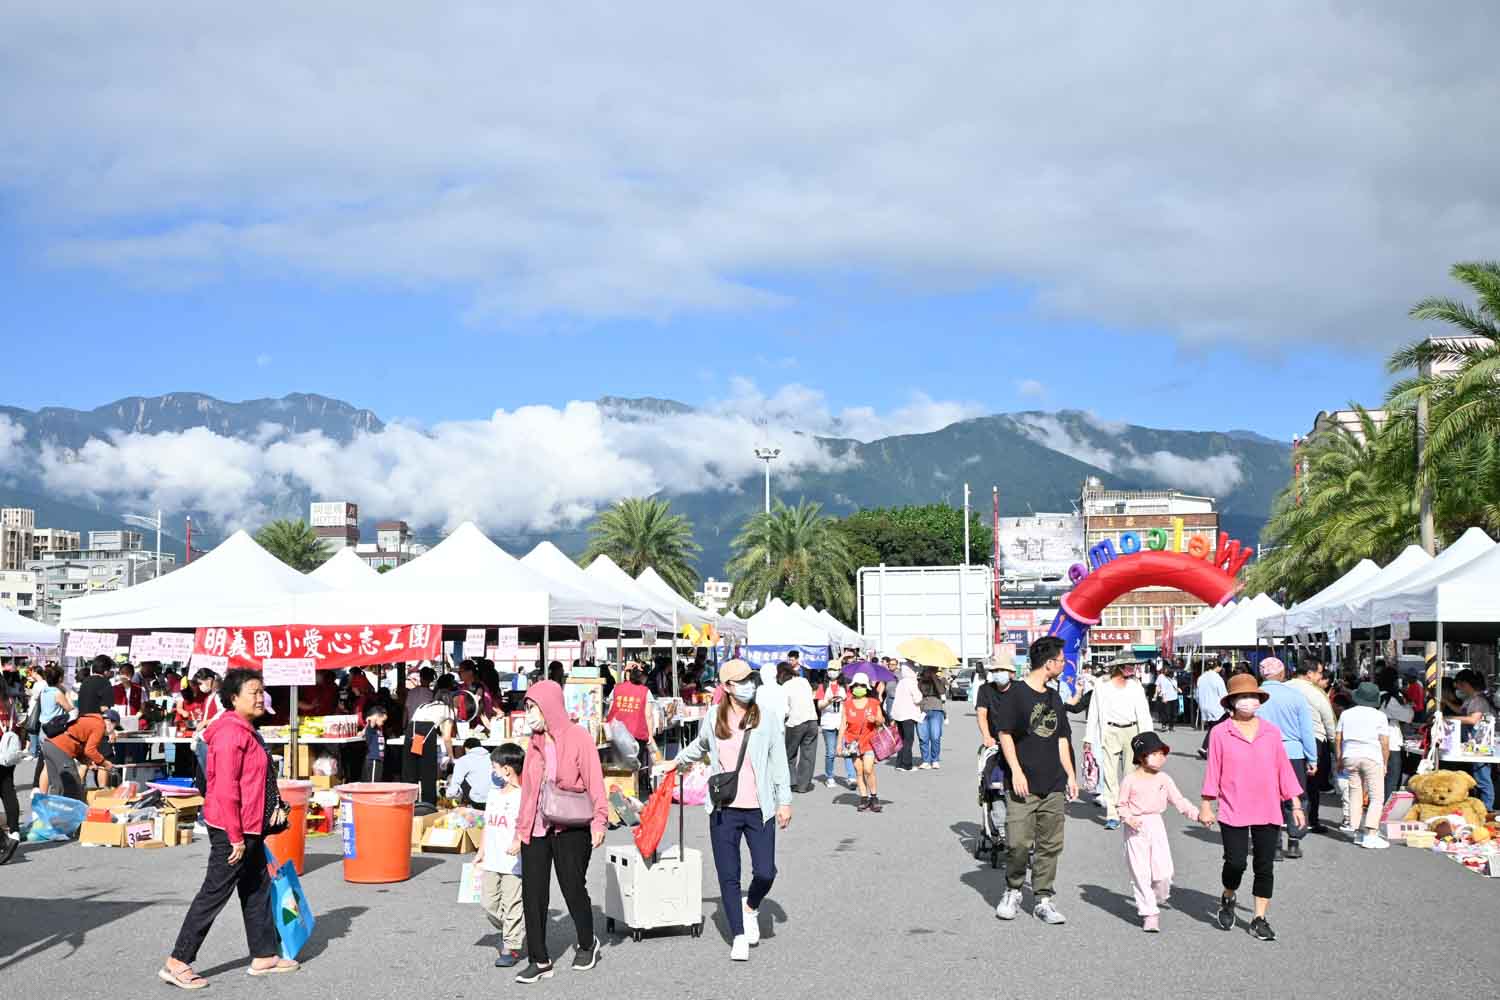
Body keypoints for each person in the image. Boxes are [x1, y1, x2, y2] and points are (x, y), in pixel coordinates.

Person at [161, 669, 297, 989]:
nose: (260, 697)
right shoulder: (229, 734)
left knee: (256, 888)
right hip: (231, 829)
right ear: (234, 698)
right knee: (214, 892)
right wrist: (235, 836)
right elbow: (225, 790)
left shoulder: (246, 730)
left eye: (262, 691)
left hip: (250, 827)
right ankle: (178, 961)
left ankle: (264, 955)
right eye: (253, 692)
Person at [671, 659, 793, 962]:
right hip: (724, 808)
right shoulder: (714, 716)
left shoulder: (767, 717)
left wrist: (785, 801)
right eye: (742, 680)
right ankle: (738, 934)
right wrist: (675, 763)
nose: (749, 684)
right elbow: (700, 747)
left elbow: (778, 759)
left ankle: (750, 907)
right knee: (729, 875)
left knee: (766, 871)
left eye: (751, 678)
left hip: (759, 809)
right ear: (727, 687)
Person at [511, 680, 607, 985]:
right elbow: (527, 790)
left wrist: (600, 821)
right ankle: (539, 959)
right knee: (533, 894)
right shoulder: (535, 743)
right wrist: (520, 830)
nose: (529, 714)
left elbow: (595, 780)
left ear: (549, 706)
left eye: (533, 707)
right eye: (526, 707)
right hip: (538, 828)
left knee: (572, 886)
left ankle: (587, 941)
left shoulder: (578, 737)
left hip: (572, 826)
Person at [1200, 672, 1305, 942]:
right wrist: (1206, 804)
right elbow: (1213, 770)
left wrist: (1295, 803)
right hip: (1233, 806)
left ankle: (1259, 918)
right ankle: (1228, 895)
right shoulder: (1220, 733)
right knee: (1235, 863)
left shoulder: (1271, 732)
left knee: (1264, 864)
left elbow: (1283, 769)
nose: (1249, 701)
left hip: (1268, 806)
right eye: (1243, 697)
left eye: (1253, 696)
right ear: (1232, 701)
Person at [994, 636, 1078, 926]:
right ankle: (1013, 889)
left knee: (1050, 844)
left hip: (1053, 783)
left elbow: (1062, 739)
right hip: (1022, 784)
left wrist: (1070, 774)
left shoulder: (1054, 697)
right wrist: (1016, 770)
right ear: (1049, 663)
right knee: (1017, 842)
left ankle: (1043, 898)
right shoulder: (1015, 694)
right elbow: (1004, 734)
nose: (1064, 664)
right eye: (1062, 660)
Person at [1117, 732, 1197, 932]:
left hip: (1156, 824)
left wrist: (1197, 814)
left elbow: (1179, 800)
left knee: (1164, 873)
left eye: (1162, 753)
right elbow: (1121, 805)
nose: (1160, 757)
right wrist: (1128, 818)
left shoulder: (1164, 779)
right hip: (1135, 829)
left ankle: (1155, 897)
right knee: (1140, 872)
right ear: (1141, 757)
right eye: (1154, 753)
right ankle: (1149, 913)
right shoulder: (1130, 780)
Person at [1255, 657, 1317, 858]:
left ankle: (1274, 845)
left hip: (1263, 754)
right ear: (1281, 673)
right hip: (1293, 753)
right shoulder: (1295, 696)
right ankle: (1294, 840)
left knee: (1269, 798)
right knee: (1296, 797)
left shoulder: (1255, 697)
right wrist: (1312, 758)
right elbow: (1307, 730)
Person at [1084, 656, 1154, 830]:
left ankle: (1127, 809)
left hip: (1132, 731)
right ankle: (1113, 815)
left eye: (1133, 665)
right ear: (1119, 667)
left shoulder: (1135, 685)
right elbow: (1093, 712)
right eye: (1128, 666)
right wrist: (1088, 738)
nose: (1132, 669)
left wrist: (1149, 737)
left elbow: (1144, 712)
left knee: (1130, 773)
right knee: (1109, 774)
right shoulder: (1102, 684)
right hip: (1110, 731)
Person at [475, 743, 527, 968]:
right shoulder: (493, 794)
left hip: (513, 862)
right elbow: (488, 824)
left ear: (507, 769)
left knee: (513, 903)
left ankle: (511, 946)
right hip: (492, 859)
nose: (493, 771)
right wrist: (481, 850)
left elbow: (526, 824)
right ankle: (511, 929)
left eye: (495, 767)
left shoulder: (524, 796)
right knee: (488, 903)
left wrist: (518, 842)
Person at [1336, 682, 1391, 849]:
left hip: (1350, 756)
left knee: (1355, 792)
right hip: (1371, 756)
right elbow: (1384, 742)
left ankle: (1356, 830)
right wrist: (1385, 763)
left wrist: (1339, 759)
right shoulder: (1379, 716)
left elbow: (1338, 737)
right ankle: (1371, 834)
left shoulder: (1346, 714)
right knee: (1376, 796)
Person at [1286, 660, 1337, 834]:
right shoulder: (1315, 692)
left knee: (1287, 780)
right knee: (1311, 783)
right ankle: (1310, 820)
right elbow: (1329, 719)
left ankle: (1287, 818)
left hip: (1287, 740)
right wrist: (1334, 743)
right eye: (1319, 673)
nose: (1321, 677)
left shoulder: (1285, 687)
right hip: (1314, 739)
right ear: (1309, 673)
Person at [43, 705, 119, 801]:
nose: (112, 731)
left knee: (57, 786)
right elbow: (90, 750)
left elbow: (78, 741)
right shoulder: (100, 725)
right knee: (73, 784)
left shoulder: (89, 719)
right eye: (115, 727)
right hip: (61, 747)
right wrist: (105, 763)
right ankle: (75, 812)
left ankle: (54, 812)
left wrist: (87, 761)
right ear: (109, 721)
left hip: (49, 745)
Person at [605, 662, 658, 798]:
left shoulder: (617, 689)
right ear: (641, 678)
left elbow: (610, 710)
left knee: (616, 767)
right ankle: (631, 796)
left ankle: (615, 795)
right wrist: (650, 736)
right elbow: (648, 715)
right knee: (633, 768)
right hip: (636, 735)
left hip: (615, 734)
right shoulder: (645, 691)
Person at [1446, 669, 1496, 809]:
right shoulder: (1471, 700)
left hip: (1481, 745)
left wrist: (1448, 718)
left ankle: (1487, 808)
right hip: (1473, 744)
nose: (1458, 689)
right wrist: (1446, 703)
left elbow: (1473, 719)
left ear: (1466, 684)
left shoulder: (1479, 700)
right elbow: (1461, 711)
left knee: (1482, 778)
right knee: (1477, 776)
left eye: (1460, 686)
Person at [841, 671, 886, 813]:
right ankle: (863, 798)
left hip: (869, 740)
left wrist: (876, 720)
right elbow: (843, 725)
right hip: (852, 741)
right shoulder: (847, 704)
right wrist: (838, 744)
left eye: (861, 685)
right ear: (852, 687)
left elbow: (882, 721)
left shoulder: (873, 703)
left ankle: (874, 797)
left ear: (866, 687)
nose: (858, 687)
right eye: (856, 685)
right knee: (859, 771)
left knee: (868, 769)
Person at [30, 663, 72, 795]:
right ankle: (57, 792)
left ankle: (42, 793)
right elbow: (70, 709)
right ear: (60, 678)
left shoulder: (44, 691)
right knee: (55, 765)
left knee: (47, 764)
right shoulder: (57, 693)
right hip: (55, 731)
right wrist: (68, 695)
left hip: (44, 729)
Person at [778, 661, 818, 793]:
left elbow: (785, 709)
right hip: (812, 720)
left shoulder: (785, 687)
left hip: (795, 723)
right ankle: (803, 785)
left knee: (789, 754)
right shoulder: (804, 681)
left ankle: (791, 782)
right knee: (808, 755)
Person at [1376, 666, 1415, 799]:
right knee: (1392, 777)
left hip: (1373, 741)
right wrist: (1408, 704)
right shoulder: (1390, 700)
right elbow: (1408, 716)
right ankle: (1387, 807)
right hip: (1391, 742)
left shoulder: (1375, 696)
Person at [815, 670, 855, 788]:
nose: (832, 672)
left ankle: (851, 776)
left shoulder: (845, 686)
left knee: (847, 751)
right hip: (828, 722)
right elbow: (819, 706)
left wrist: (843, 700)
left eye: (835, 670)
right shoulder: (822, 687)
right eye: (830, 670)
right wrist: (828, 701)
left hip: (843, 722)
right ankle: (830, 776)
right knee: (831, 752)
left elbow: (851, 702)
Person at [890, 662, 922, 772]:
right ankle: (906, 764)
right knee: (909, 740)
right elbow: (917, 699)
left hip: (898, 714)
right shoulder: (912, 682)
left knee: (901, 739)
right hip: (908, 714)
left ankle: (899, 763)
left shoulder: (901, 682)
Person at [449, 737, 495, 806]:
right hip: (495, 798)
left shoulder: (463, 760)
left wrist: (450, 796)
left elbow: (455, 783)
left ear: (466, 748)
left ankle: (465, 804)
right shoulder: (492, 757)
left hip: (477, 800)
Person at [916, 666, 947, 769]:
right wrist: (923, 679)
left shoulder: (940, 680)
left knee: (935, 736)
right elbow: (919, 692)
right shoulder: (920, 681)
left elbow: (942, 692)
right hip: (922, 710)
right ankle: (925, 760)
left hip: (936, 709)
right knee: (923, 737)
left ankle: (935, 759)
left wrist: (934, 678)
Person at [1196, 661, 1229, 757]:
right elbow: (1223, 694)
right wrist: (1228, 706)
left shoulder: (1201, 677)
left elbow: (1197, 695)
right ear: (1218, 667)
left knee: (1213, 727)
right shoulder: (1217, 678)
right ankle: (1205, 748)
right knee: (1218, 728)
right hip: (1217, 707)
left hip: (1205, 706)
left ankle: (1208, 748)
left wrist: (1201, 704)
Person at [359, 703, 389, 782]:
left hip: (378, 759)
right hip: (373, 759)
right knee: (373, 782)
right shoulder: (371, 726)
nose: (383, 723)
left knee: (377, 780)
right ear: (376, 717)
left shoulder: (378, 728)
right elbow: (371, 721)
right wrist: (372, 717)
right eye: (382, 720)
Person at [1154, 668, 1179, 732]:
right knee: (1166, 713)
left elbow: (1175, 686)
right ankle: (1164, 725)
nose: (1173, 674)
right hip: (1167, 698)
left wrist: (1178, 689)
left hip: (1174, 697)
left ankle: (1171, 726)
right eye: (1172, 673)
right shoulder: (1164, 679)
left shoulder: (1174, 679)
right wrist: (1163, 697)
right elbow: (1163, 689)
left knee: (1174, 713)